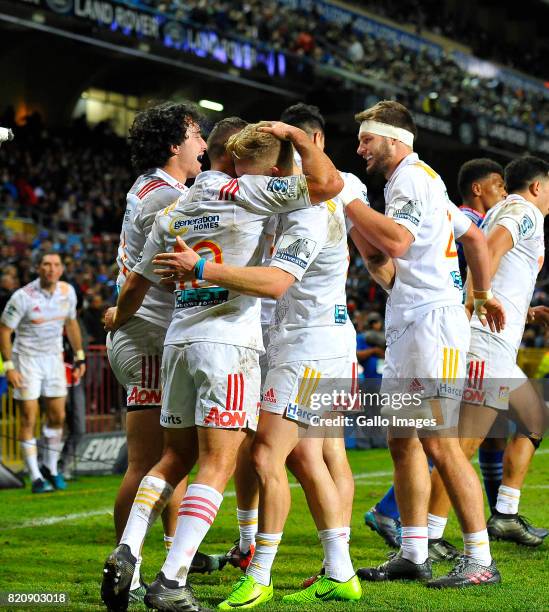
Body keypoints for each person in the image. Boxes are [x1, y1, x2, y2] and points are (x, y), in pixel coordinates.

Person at [103, 119, 343, 612]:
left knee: (174, 458)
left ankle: (129, 546)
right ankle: (171, 579)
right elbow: (328, 186)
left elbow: (134, 286)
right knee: (218, 462)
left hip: (176, 343)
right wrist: (299, 138)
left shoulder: (177, 206)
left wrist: (115, 319)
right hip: (228, 344)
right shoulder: (256, 191)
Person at [346, 100, 505, 588]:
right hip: (411, 317)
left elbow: (395, 243)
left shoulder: (413, 179)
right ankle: (414, 552)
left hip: (431, 323)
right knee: (402, 440)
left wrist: (348, 202)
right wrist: (480, 293)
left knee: (440, 442)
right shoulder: (419, 181)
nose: (360, 148)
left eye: (366, 139)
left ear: (394, 139)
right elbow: (474, 240)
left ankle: (480, 558)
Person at [100, 102, 221, 610]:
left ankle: (174, 554)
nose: (204, 144)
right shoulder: (169, 197)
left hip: (146, 331)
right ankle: (128, 561)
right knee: (151, 460)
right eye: (196, 134)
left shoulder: (148, 187)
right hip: (148, 337)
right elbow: (145, 275)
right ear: (174, 145)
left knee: (176, 457)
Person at [427, 156, 549, 548]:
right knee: (461, 445)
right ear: (535, 187)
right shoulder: (523, 210)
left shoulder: (506, 209)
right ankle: (428, 536)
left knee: (534, 418)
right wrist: (478, 301)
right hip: (486, 343)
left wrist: (524, 311)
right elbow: (490, 249)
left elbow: (499, 264)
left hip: (497, 342)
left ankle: (506, 515)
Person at [0, 253, 86, 493]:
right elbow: (5, 330)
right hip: (26, 360)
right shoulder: (22, 297)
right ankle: (36, 476)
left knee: (58, 417)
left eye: (56, 265)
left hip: (54, 359)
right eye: (46, 264)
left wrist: (79, 356)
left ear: (61, 269)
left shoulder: (67, 292)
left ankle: (51, 468)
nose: (51, 269)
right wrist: (9, 367)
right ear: (38, 268)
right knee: (28, 418)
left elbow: (71, 324)